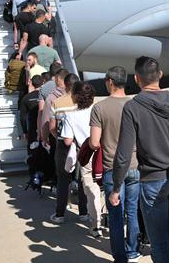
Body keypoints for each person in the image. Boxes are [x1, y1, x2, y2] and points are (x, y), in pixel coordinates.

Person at [111, 56, 169, 263]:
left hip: (152, 180)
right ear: (160, 75)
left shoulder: (133, 107)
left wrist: (116, 187)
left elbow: (123, 153)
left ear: (137, 78)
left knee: (158, 242)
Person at [89, 66, 141, 262]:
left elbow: (94, 142)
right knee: (133, 210)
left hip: (112, 167)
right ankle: (133, 250)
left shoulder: (100, 108)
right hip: (135, 165)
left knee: (116, 214)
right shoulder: (135, 104)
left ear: (110, 81)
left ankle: (120, 256)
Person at [61, 81, 105, 236]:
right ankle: (106, 217)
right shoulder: (100, 108)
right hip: (105, 152)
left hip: (87, 155)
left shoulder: (71, 115)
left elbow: (67, 140)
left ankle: (96, 225)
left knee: (92, 191)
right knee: (106, 188)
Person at [50, 74, 90, 225]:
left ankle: (60, 214)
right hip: (81, 144)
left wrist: (57, 137)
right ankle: (83, 212)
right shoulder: (82, 102)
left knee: (62, 179)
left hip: (63, 144)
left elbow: (52, 127)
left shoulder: (57, 102)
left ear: (65, 85)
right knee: (81, 179)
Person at [19, 75, 44, 152]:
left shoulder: (26, 98)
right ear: (43, 83)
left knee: (33, 151)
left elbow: (22, 117)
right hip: (45, 127)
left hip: (32, 129)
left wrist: (25, 131)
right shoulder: (46, 95)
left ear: (32, 84)